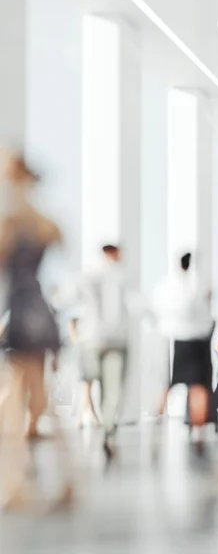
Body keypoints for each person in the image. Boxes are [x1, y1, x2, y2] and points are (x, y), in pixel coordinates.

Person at [0, 153, 72, 511]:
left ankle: (15, 485)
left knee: (15, 400)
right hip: (39, 310)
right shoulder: (44, 223)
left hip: (19, 310)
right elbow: (63, 241)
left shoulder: (10, 222)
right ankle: (69, 478)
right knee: (40, 398)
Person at [70, 244, 135, 459]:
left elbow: (68, 299)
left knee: (89, 381)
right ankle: (105, 425)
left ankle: (91, 418)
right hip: (113, 341)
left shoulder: (89, 275)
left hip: (92, 341)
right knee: (109, 385)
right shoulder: (121, 277)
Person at [152, 253, 216, 455]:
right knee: (198, 385)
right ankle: (198, 429)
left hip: (176, 339)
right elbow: (204, 314)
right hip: (196, 339)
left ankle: (157, 418)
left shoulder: (166, 287)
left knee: (170, 383)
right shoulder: (195, 287)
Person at [66, 318, 99, 428]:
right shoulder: (80, 340)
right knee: (85, 389)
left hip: (85, 359)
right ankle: (88, 417)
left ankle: (86, 417)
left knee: (86, 389)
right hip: (82, 361)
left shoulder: (79, 339)